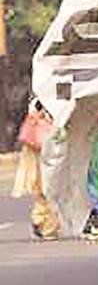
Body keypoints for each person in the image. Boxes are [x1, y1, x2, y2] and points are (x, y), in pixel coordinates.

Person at [11, 100, 60, 240]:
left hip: (37, 150)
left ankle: (42, 220)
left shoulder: (35, 106)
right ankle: (46, 225)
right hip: (46, 151)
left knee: (43, 189)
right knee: (49, 189)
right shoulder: (50, 107)